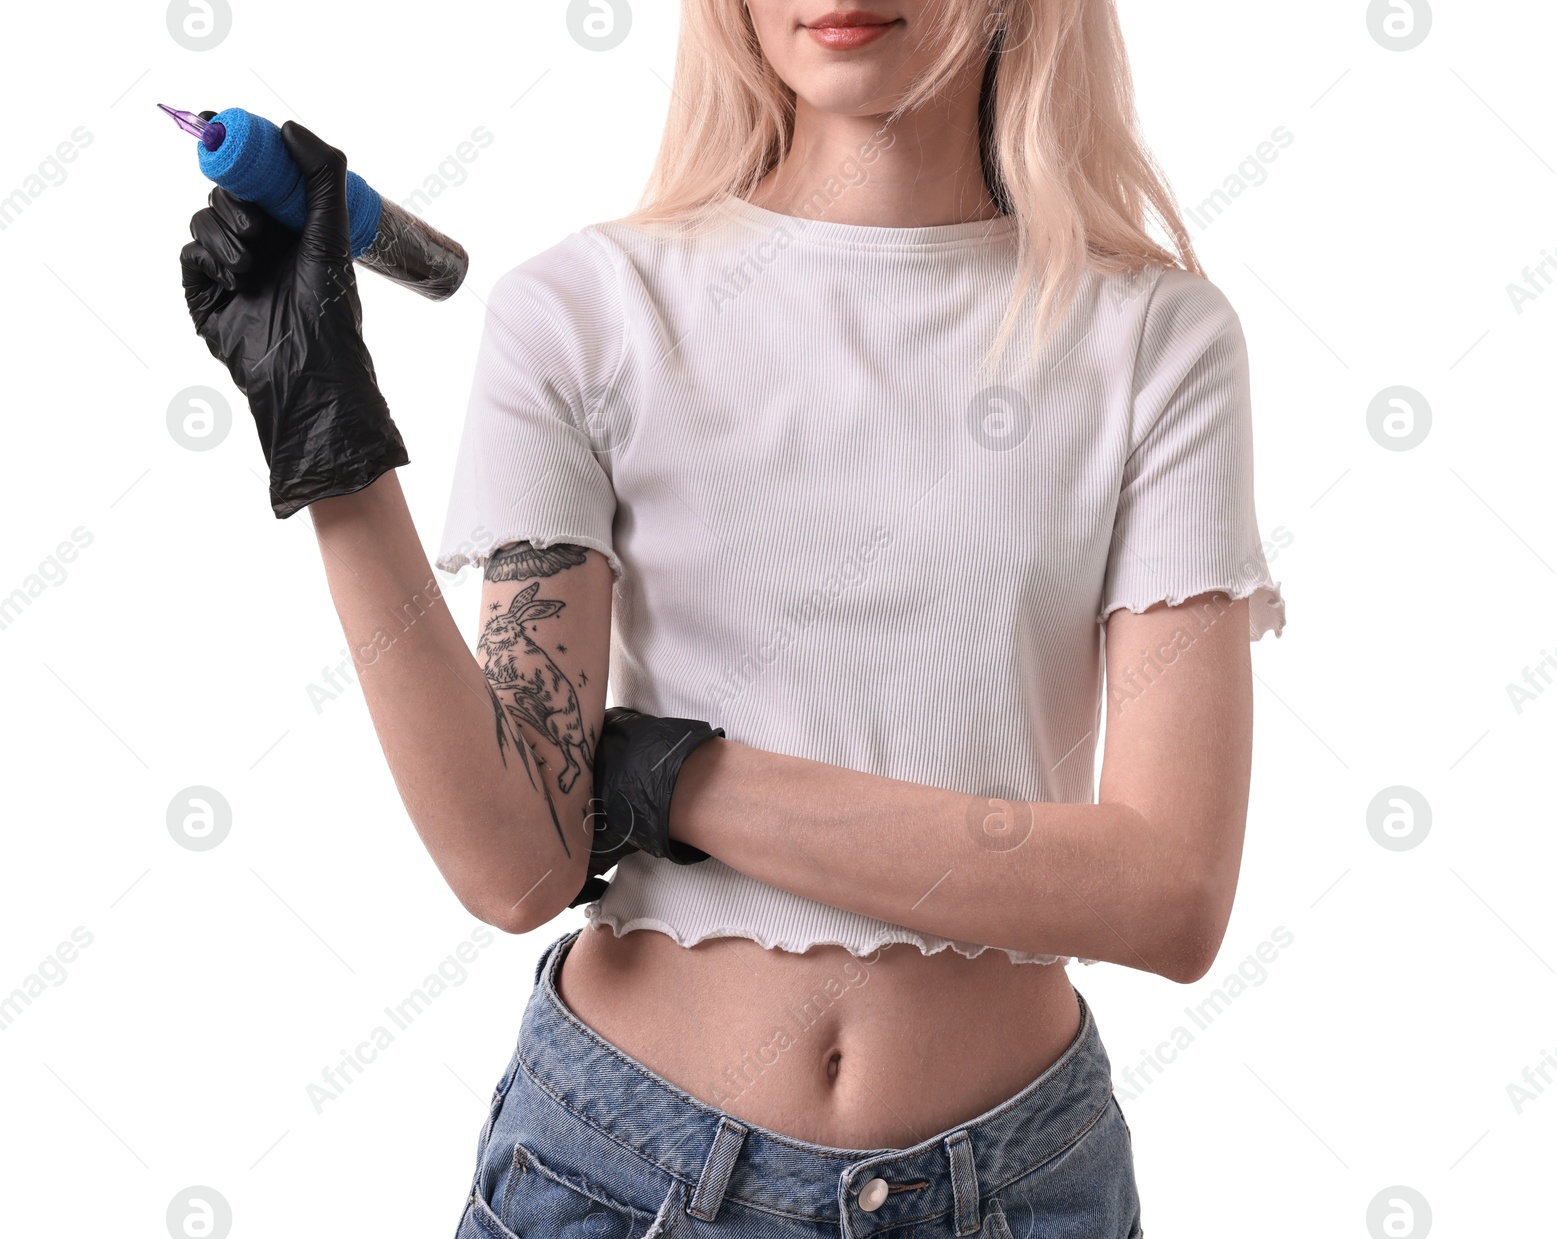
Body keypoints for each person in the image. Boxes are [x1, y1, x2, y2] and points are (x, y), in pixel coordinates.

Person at [180, 2, 1286, 1235]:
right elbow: (511, 864)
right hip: (617, 1171)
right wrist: (329, 441)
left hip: (1021, 1191)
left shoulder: (1153, 339)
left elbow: (1167, 894)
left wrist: (683, 782)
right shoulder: (585, 312)